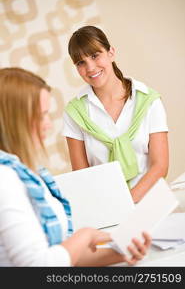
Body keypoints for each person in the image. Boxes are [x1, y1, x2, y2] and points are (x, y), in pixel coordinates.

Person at [0, 67, 151, 267]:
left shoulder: (27, 173)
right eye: (42, 115)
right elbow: (36, 266)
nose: (48, 125)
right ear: (15, 120)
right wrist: (86, 236)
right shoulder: (5, 180)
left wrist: (121, 253)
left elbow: (62, 257)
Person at [62, 25, 169, 203]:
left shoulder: (149, 101)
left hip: (151, 203)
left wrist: (126, 202)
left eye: (95, 56)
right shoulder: (74, 113)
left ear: (111, 52)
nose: (90, 68)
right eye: (81, 62)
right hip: (105, 208)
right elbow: (82, 176)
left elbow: (160, 166)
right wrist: (111, 210)